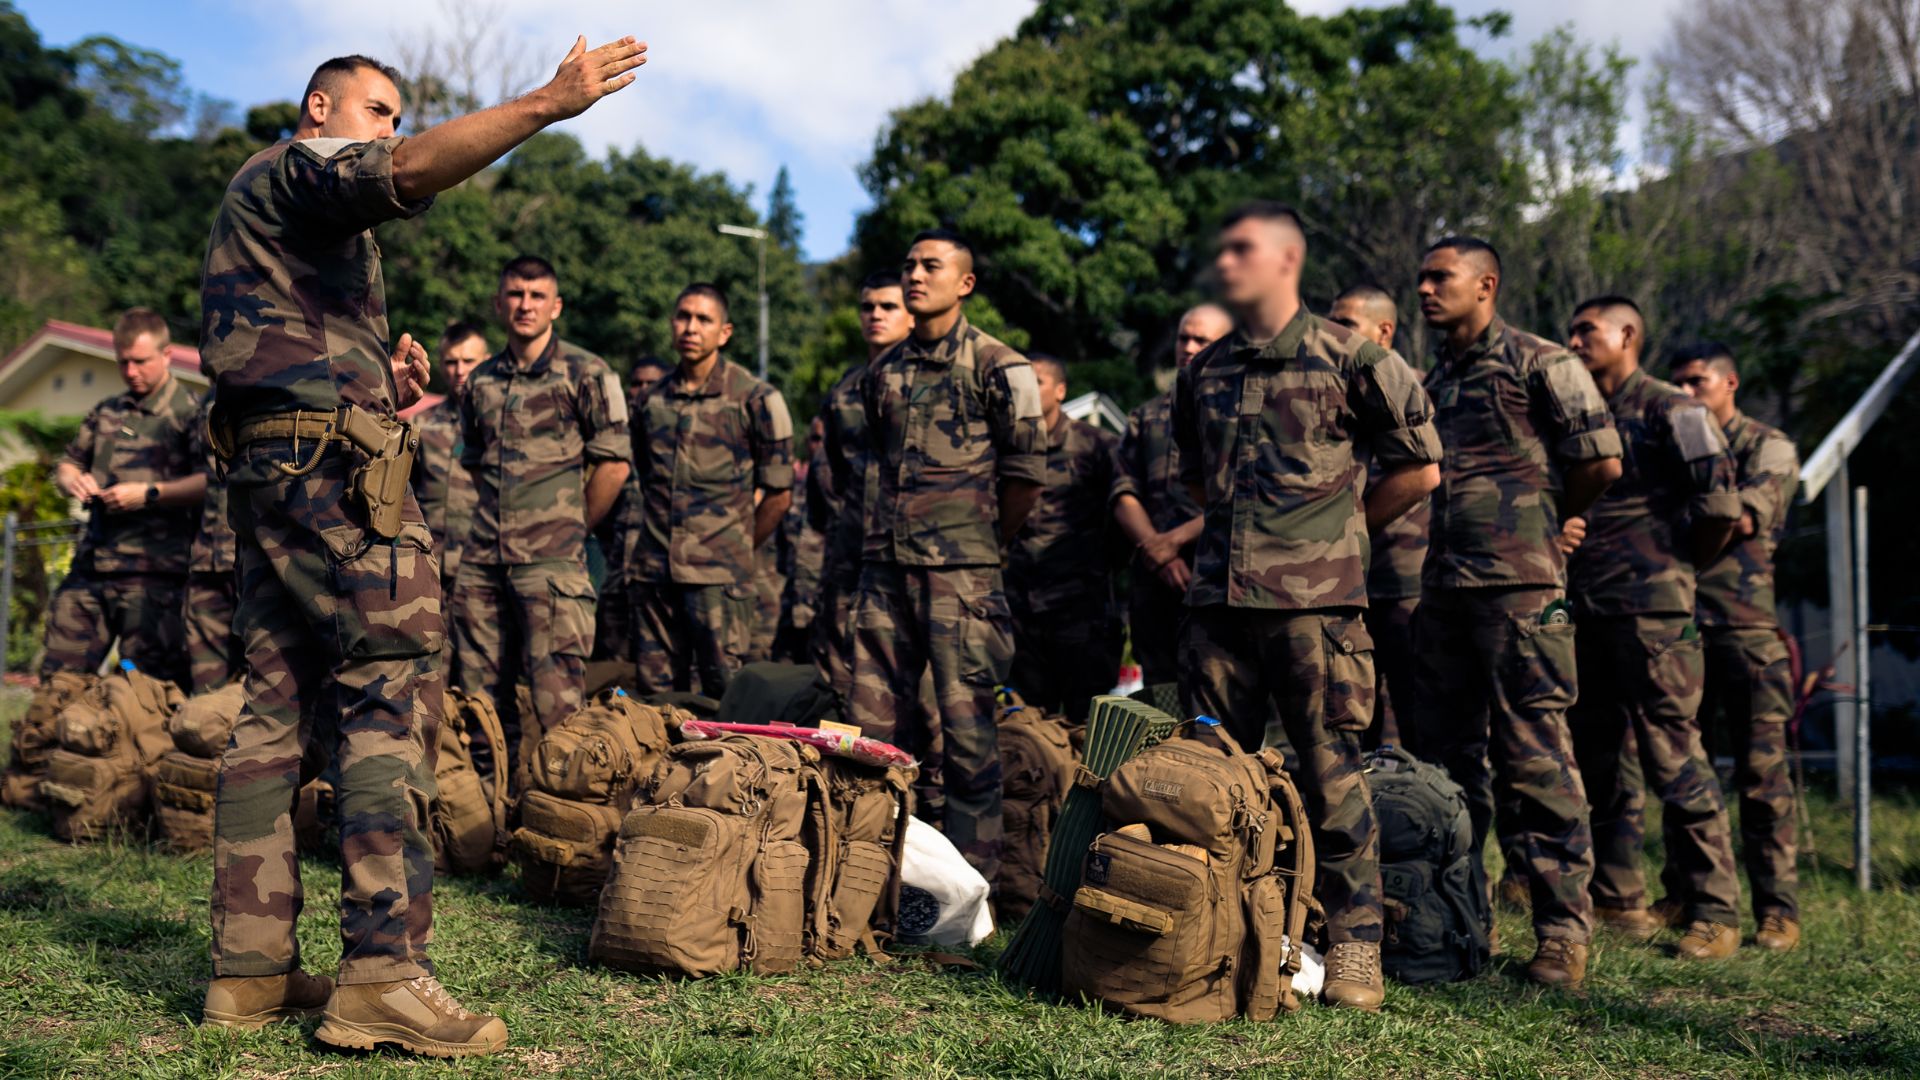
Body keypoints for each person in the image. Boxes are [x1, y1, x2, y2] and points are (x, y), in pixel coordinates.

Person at [199, 40, 646, 1057]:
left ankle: (252, 971)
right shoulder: (299, 166)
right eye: (379, 107)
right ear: (320, 108)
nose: (392, 128)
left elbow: (283, 357)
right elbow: (402, 173)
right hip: (329, 483)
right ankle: (383, 976)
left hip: (277, 472)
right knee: (391, 686)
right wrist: (544, 103)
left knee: (271, 714)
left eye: (401, 113)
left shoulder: (280, 215)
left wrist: (378, 380)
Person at [1172, 202, 1442, 1011]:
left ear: (1287, 260)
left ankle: (1355, 948)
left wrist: (1342, 535)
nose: (1226, 264)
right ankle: (1216, 938)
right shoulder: (1205, 369)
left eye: (1243, 250)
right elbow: (1194, 476)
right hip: (1219, 606)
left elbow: (1420, 468)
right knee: (1212, 779)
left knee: (1332, 776)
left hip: (1317, 612)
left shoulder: (1353, 357)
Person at [1401, 236, 1623, 989]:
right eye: (1422, 278)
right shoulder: (1436, 377)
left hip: (1521, 590)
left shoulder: (1541, 362)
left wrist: (1548, 523)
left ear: (1486, 284)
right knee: (1447, 764)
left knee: (1535, 758)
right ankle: (1461, 923)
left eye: (1442, 277)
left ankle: (1562, 932)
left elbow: (1601, 460)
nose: (1427, 289)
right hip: (1444, 588)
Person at [846, 230, 1046, 881]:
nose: (915, 275)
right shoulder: (882, 372)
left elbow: (1025, 477)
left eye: (931, 266)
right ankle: (872, 880)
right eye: (908, 265)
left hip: (962, 579)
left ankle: (970, 891)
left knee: (967, 739)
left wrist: (983, 550)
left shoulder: (1000, 367)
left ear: (964, 283)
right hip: (884, 576)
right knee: (871, 731)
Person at [1563, 298, 1743, 958]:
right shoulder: (1578, 412)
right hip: (1588, 607)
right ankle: (1618, 897)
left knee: (1674, 755)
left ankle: (1715, 910)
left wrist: (1676, 567)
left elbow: (1722, 507)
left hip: (1654, 611)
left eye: (1588, 330)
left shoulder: (1677, 408)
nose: (1575, 340)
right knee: (1600, 755)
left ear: (1628, 335)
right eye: (1572, 331)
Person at [453, 256, 633, 777]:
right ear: (498, 303)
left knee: (559, 706)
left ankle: (559, 823)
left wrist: (573, 528)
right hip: (484, 563)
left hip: (553, 566)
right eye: (514, 294)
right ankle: (489, 821)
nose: (524, 305)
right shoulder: (480, 381)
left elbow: (614, 465)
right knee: (481, 702)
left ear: (556, 305)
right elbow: (474, 462)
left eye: (536, 296)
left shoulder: (589, 372)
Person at [1671, 341, 1803, 951]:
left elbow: (1743, 515)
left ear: (1730, 383)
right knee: (1683, 771)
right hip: (1678, 626)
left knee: (1761, 777)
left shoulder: (1766, 445)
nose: (1687, 394)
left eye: (1698, 382)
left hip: (1746, 631)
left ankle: (1777, 909)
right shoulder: (1673, 443)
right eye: (1679, 384)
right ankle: (1687, 896)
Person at [629, 284, 794, 697]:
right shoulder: (651, 402)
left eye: (704, 320)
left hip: (721, 580)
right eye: (683, 316)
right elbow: (644, 475)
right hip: (655, 575)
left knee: (724, 695)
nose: (691, 327)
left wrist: (737, 548)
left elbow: (778, 494)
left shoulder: (756, 399)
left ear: (725, 332)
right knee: (656, 698)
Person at [46, 307, 204, 690]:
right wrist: (74, 482)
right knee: (57, 687)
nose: (131, 372)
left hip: (155, 579)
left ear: (166, 356)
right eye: (123, 363)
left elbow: (213, 481)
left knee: (147, 696)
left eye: (140, 362)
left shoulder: (191, 412)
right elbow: (66, 465)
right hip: (92, 570)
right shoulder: (105, 412)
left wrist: (149, 494)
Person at [1110, 304, 1230, 688]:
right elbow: (1123, 491)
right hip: (1155, 581)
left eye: (1202, 339)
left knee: (1217, 694)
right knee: (1160, 696)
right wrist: (1157, 551)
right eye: (1184, 337)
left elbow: (1244, 493)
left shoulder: (1241, 412)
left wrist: (1174, 542)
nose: (1189, 346)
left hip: (1216, 577)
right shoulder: (1147, 415)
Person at [1327, 283, 1424, 750]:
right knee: (1354, 714)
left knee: (1417, 709)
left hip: (1407, 578)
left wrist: (1352, 530)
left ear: (1384, 332)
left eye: (1346, 324)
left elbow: (1432, 475)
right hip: (1348, 583)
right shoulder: (1327, 392)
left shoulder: (1416, 389)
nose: (1331, 333)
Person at [1004, 355, 1125, 723]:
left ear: (1060, 391)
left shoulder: (1097, 446)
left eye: (1037, 381)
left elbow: (1124, 511)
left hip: (1081, 612)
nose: (1025, 388)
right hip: (1020, 612)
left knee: (1086, 725)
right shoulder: (1005, 445)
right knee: (1026, 728)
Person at [815, 273, 913, 694]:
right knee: (837, 652)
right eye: (867, 307)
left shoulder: (926, 382)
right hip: (851, 541)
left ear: (911, 316)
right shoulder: (845, 388)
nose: (876, 315)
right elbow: (832, 467)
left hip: (911, 547)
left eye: (888, 307)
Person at [410, 321, 488, 681]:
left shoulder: (499, 425)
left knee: (481, 674)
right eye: (452, 362)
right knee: (427, 670)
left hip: (482, 567)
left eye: (469, 362)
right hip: (430, 567)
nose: (460, 371)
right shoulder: (423, 426)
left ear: (486, 361)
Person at [594, 356, 671, 663]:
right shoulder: (614, 441)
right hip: (618, 583)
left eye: (650, 384)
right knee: (613, 669)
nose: (641, 390)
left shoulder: (674, 442)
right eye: (636, 383)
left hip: (661, 584)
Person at [186, 384, 240, 695]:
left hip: (258, 560)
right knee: (206, 691)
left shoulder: (275, 388)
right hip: (206, 560)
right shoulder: (201, 403)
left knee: (265, 683)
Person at [772, 417, 828, 662]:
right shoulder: (791, 489)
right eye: (815, 439)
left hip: (826, 615)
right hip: (791, 611)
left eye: (826, 440)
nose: (820, 446)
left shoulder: (849, 492)